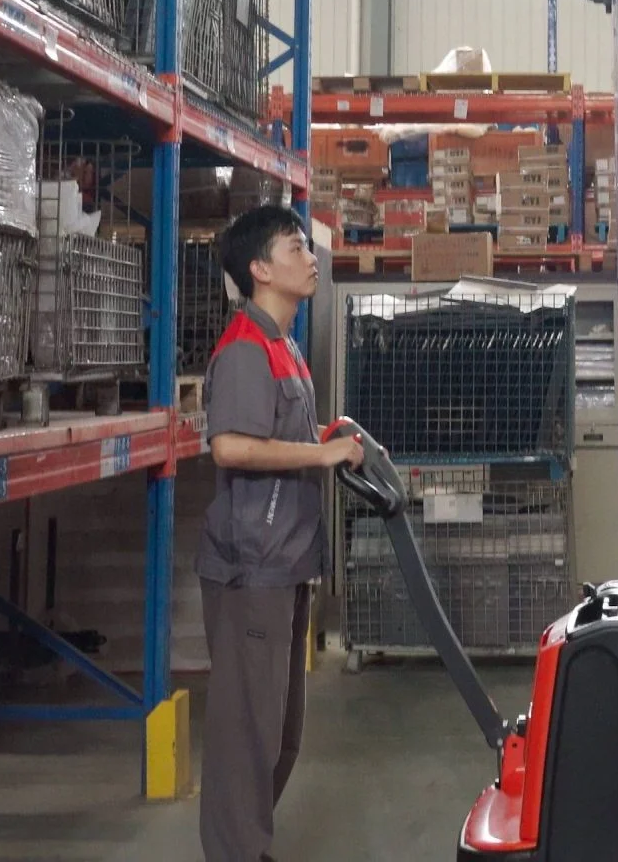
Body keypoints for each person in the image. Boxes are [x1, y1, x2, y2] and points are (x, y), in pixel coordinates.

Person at [198, 204, 361, 862]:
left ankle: (250, 847)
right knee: (247, 738)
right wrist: (321, 454)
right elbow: (231, 447)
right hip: (252, 566)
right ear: (260, 269)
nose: (309, 257)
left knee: (280, 734)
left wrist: (331, 437)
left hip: (286, 560)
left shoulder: (284, 344)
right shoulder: (246, 347)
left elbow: (279, 434)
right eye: (295, 248)